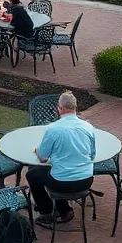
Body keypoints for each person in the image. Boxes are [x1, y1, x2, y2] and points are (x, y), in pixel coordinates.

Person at [28, 91, 96, 228]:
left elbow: (42, 158)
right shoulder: (89, 127)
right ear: (75, 108)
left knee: (32, 174)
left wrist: (37, 150)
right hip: (86, 181)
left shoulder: (53, 129)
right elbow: (92, 155)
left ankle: (46, 212)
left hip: (62, 183)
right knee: (56, 172)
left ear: (61, 109)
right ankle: (64, 210)